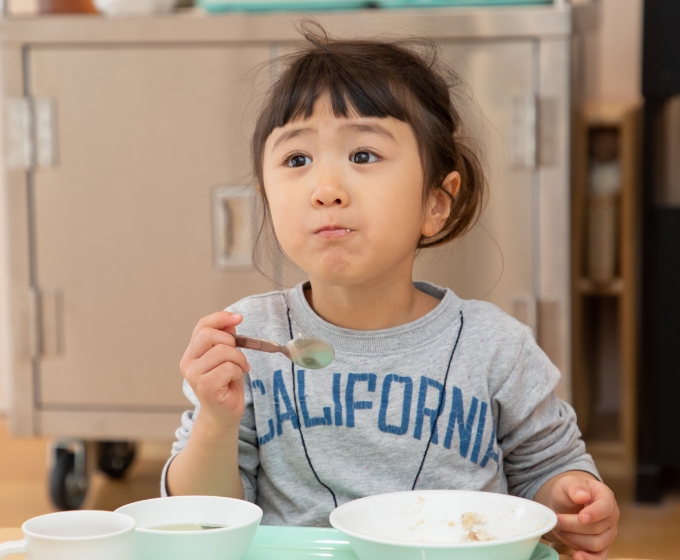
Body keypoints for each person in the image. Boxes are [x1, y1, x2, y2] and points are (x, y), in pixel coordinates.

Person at [163, 25, 619, 560]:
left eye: (362, 156)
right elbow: (201, 524)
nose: (326, 190)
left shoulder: (496, 347)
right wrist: (217, 423)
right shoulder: (249, 340)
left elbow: (547, 469)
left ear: (436, 202)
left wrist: (571, 499)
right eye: (296, 160)